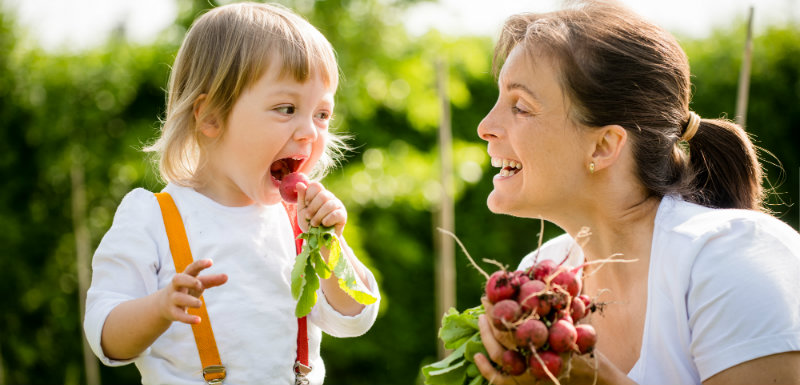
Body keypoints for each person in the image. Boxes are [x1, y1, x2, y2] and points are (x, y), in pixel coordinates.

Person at [472, 1, 800, 384]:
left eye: (520, 107)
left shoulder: (731, 256)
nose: (485, 126)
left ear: (604, 146)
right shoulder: (541, 279)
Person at [83, 3, 380, 384]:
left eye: (322, 114)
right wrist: (159, 307)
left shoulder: (298, 225)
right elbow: (105, 337)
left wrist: (329, 246)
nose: (310, 131)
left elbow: (355, 318)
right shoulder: (153, 217)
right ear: (211, 117)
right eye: (287, 108)